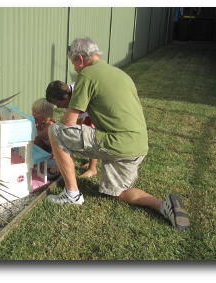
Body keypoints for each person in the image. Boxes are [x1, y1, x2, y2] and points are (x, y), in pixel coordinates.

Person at [46, 37, 190, 231]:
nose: (76, 69)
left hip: (116, 142)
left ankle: (72, 194)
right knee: (117, 193)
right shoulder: (120, 74)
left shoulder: (87, 75)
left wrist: (56, 152)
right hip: (137, 146)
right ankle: (163, 206)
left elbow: (69, 123)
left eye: (74, 64)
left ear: (80, 58)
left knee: (54, 131)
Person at [46, 80, 98, 178]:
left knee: (91, 136)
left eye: (57, 103)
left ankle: (92, 168)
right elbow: (73, 123)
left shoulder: (78, 95)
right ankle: (89, 160)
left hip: (95, 111)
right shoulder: (68, 95)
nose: (57, 106)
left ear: (65, 98)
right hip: (86, 111)